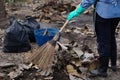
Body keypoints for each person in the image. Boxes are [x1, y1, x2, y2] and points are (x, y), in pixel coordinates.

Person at [67, 0, 120, 77]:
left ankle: (102, 70)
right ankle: (113, 64)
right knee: (111, 36)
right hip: (117, 12)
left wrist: (78, 10)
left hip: (104, 13)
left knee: (103, 42)